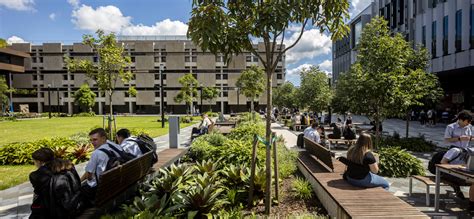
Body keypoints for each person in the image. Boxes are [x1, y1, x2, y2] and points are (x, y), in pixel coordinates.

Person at [80, 128, 123, 206]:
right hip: (114, 183)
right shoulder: (114, 146)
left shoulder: (96, 153)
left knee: (78, 190)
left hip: (99, 190)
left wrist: (81, 181)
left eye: (95, 140)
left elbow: (89, 176)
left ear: (103, 139)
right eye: (91, 140)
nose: (92, 142)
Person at [441, 110, 473, 207]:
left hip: (466, 151)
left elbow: (473, 137)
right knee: (456, 168)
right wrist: (459, 138)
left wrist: (470, 139)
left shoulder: (470, 127)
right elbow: (446, 140)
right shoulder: (451, 127)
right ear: (461, 120)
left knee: (467, 168)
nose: (469, 123)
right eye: (467, 121)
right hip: (454, 150)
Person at [29, 148, 55, 218]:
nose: (34, 163)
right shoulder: (65, 166)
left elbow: (37, 194)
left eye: (34, 161)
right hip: (67, 202)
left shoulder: (35, 175)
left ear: (39, 161)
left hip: (49, 208)